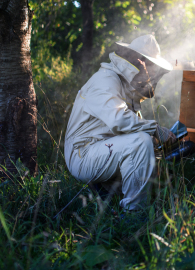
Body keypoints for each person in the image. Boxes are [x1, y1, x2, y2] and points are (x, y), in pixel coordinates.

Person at [64, 35, 175, 211]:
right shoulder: (105, 80)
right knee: (140, 143)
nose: (152, 74)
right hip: (83, 154)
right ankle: (134, 215)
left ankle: (113, 194)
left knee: (145, 144)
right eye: (151, 67)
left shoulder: (124, 85)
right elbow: (119, 120)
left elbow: (128, 127)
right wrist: (154, 130)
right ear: (140, 61)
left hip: (101, 150)